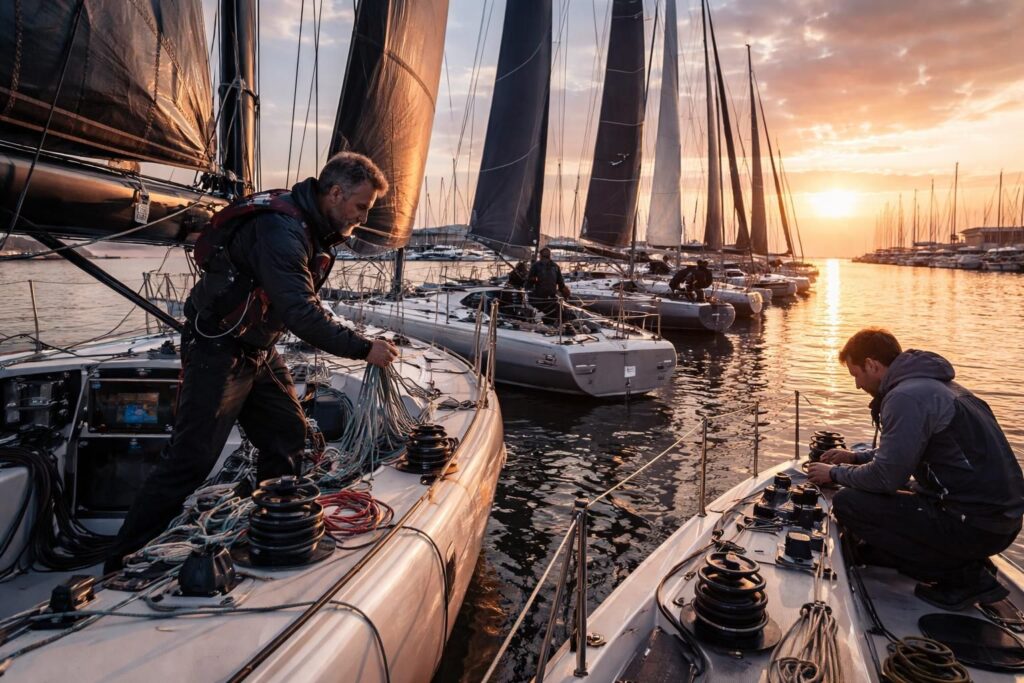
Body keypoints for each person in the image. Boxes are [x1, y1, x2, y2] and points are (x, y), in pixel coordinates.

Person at [104, 152, 399, 572]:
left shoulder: (306, 226)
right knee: (191, 459)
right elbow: (300, 311)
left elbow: (296, 305)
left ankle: (269, 531)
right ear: (335, 193)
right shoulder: (282, 230)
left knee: (287, 433)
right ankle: (124, 561)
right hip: (218, 349)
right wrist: (363, 348)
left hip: (255, 349)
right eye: (360, 207)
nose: (361, 218)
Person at [807, 328, 1024, 609]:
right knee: (889, 501)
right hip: (996, 521)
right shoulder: (935, 387)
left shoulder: (904, 397)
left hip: (973, 524)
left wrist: (833, 474)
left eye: (856, 375)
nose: (858, 386)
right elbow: (907, 452)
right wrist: (855, 458)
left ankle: (965, 577)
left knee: (849, 503)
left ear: (872, 365)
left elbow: (885, 477)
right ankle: (961, 559)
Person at [527, 247, 569, 319]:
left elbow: (528, 282)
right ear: (550, 256)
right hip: (552, 298)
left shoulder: (536, 266)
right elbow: (561, 284)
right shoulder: (556, 267)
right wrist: (566, 295)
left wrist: (528, 292)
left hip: (539, 298)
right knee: (559, 310)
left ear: (540, 256)